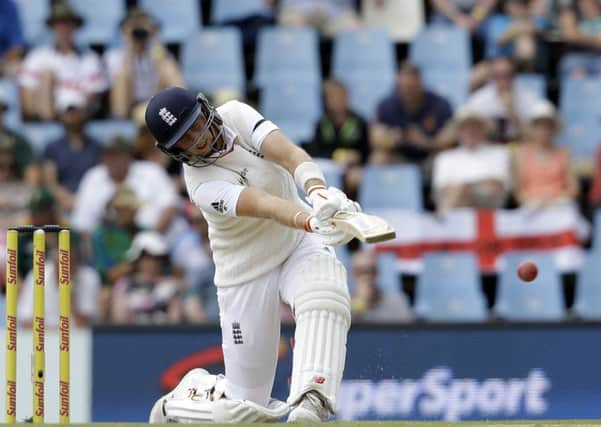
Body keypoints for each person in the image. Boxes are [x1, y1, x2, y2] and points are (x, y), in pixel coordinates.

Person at [144, 87, 360, 423]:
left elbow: (288, 154)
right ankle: (184, 400)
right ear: (175, 152)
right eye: (186, 139)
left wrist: (319, 194)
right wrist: (313, 220)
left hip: (296, 243)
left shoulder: (236, 115)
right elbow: (265, 205)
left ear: (206, 109)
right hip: (245, 274)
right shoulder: (201, 186)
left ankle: (311, 400)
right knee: (245, 411)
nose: (200, 139)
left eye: (197, 124)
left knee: (326, 291)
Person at [71, 136, 179, 235]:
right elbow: (82, 222)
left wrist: (150, 238)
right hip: (110, 243)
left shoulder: (151, 171)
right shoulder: (93, 177)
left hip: (158, 238)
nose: (112, 160)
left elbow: (170, 206)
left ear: (129, 155)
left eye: (117, 155)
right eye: (108, 155)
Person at [18, 1, 107, 121]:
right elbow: (27, 99)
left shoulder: (90, 58)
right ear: (52, 27)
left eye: (68, 24)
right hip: (46, 116)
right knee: (46, 74)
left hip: (80, 116)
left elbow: (94, 97)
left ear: (76, 26)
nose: (64, 29)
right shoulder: (37, 56)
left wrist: (71, 111)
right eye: (59, 24)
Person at [104, 7, 185, 119]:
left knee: (169, 69)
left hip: (156, 101)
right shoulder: (115, 55)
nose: (138, 31)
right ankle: (120, 122)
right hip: (130, 105)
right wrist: (130, 46)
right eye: (133, 26)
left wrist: (154, 37)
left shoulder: (157, 52)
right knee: (121, 77)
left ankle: (183, 110)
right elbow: (122, 75)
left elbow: (167, 74)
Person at [371, 62, 453, 168]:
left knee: (445, 157)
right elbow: (374, 137)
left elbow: (452, 135)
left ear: (420, 83)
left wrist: (427, 143)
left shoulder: (440, 104)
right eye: (404, 87)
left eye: (412, 87)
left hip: (429, 156)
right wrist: (391, 139)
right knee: (378, 158)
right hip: (399, 156)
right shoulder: (387, 105)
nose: (408, 91)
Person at [432, 107, 512, 213]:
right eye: (465, 127)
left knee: (457, 194)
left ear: (484, 129)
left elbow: (497, 186)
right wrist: (469, 188)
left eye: (475, 126)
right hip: (456, 206)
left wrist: (464, 188)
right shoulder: (444, 158)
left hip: (488, 210)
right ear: (458, 131)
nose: (470, 131)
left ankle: (442, 221)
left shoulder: (499, 153)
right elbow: (441, 190)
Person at [18, 232, 100, 327]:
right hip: (42, 338)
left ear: (78, 259)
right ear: (54, 256)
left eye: (70, 260)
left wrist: (70, 295)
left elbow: (86, 326)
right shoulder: (37, 275)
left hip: (77, 339)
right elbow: (26, 322)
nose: (65, 266)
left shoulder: (89, 277)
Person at [304, 79, 369, 197]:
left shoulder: (359, 121)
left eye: (342, 96)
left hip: (352, 168)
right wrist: (336, 156)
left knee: (354, 178)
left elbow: (366, 149)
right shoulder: (322, 123)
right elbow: (317, 150)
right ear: (327, 101)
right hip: (330, 167)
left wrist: (357, 156)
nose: (339, 101)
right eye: (334, 97)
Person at [464, 56, 551, 142]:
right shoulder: (479, 100)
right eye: (497, 76)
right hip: (488, 148)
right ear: (491, 77)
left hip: (520, 147)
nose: (502, 81)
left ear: (514, 75)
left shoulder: (529, 99)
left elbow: (537, 138)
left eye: (506, 75)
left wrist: (512, 112)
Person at [43, 90, 102, 213]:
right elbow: (50, 183)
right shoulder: (52, 148)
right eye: (68, 111)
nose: (72, 115)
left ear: (84, 113)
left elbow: (102, 178)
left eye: (76, 110)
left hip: (92, 205)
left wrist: (84, 202)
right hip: (62, 206)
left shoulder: (97, 147)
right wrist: (67, 199)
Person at [514, 102, 579, 208]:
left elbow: (574, 188)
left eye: (547, 126)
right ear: (532, 129)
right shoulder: (521, 154)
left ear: (553, 129)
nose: (543, 131)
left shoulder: (563, 153)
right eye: (538, 126)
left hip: (559, 205)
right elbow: (518, 192)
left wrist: (556, 200)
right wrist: (533, 201)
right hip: (532, 207)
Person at [111, 231, 182, 325]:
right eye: (146, 257)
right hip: (132, 337)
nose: (152, 263)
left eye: (156, 258)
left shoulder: (171, 286)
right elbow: (119, 321)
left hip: (163, 337)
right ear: (137, 259)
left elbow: (175, 322)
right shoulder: (123, 285)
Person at [350, 251, 413, 323]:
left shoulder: (397, 301)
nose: (366, 276)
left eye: (371, 270)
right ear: (352, 274)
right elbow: (345, 330)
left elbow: (407, 332)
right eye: (360, 271)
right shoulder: (343, 302)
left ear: (378, 272)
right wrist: (360, 302)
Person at [0, 0, 25, 77]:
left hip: (5, 62)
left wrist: (2, 61)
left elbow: (17, 47)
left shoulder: (8, 6)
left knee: (21, 72)